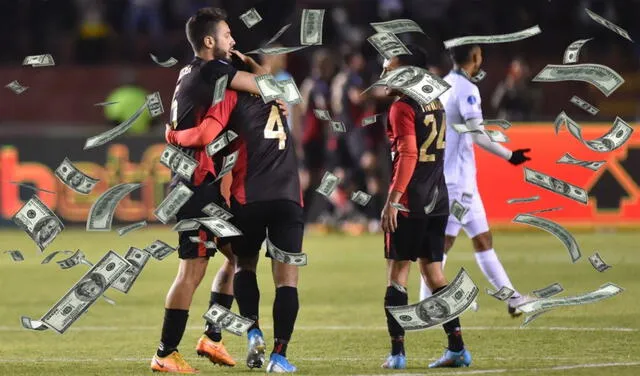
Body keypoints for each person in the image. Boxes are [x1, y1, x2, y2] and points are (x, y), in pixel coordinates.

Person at [150, 7, 270, 374]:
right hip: (194, 186)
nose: (232, 41)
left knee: (236, 255)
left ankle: (212, 338)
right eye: (227, 35)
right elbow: (270, 86)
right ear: (208, 41)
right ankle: (165, 353)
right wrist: (249, 65)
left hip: (203, 185)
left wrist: (172, 136)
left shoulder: (190, 71)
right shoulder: (214, 70)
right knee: (192, 270)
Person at [165, 77, 304, 372]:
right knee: (200, 269)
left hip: (242, 195)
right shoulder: (273, 95)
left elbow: (208, 134)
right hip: (284, 194)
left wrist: (172, 136)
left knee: (238, 262)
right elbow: (207, 134)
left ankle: (228, 333)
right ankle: (275, 355)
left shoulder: (225, 94)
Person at [418, 44, 532, 316]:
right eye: (480, 54)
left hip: (457, 180)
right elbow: (478, 135)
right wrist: (510, 155)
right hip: (458, 184)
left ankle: (512, 298)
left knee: (482, 239)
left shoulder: (443, 86)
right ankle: (428, 304)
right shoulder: (467, 90)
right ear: (474, 58)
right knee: (442, 244)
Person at [379, 45, 472, 370]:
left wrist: (393, 199)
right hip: (437, 199)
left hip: (411, 203)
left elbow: (408, 155)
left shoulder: (402, 107)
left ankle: (397, 353)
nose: (383, 75)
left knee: (397, 275)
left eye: (390, 69)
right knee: (433, 272)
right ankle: (457, 347)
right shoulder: (435, 103)